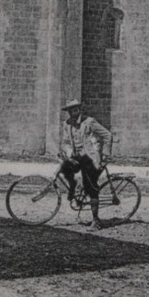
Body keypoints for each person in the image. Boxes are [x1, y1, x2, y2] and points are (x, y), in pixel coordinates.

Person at [59, 99, 112, 230]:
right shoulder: (67, 124)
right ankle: (74, 187)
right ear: (68, 112)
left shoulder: (89, 122)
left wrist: (105, 154)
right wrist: (68, 151)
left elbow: (107, 135)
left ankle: (96, 221)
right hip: (77, 156)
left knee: (90, 187)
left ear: (80, 110)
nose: (73, 112)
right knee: (64, 168)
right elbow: (65, 142)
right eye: (71, 110)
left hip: (91, 158)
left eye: (76, 109)